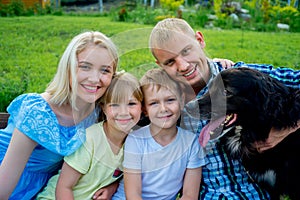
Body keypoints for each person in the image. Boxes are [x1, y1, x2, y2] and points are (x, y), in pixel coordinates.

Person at [149, 18, 300, 199]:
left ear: (200, 40)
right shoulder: (165, 99)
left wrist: (284, 130)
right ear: (161, 65)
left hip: (254, 195)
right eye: (170, 62)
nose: (183, 66)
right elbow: (122, 109)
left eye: (186, 51)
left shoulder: (247, 78)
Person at [0, 31, 119, 200]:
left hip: (44, 190)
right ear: (68, 68)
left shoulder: (100, 112)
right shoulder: (38, 114)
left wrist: (113, 185)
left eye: (105, 70)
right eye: (85, 66)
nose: (95, 78)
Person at [36, 72, 143, 199]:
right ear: (103, 108)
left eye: (131, 104)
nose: (124, 112)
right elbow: (64, 186)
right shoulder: (90, 140)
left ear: (142, 107)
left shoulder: (134, 143)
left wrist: (111, 187)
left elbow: (115, 174)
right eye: (114, 105)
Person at [112, 68, 206, 200]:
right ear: (145, 109)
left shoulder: (191, 143)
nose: (163, 109)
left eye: (170, 100)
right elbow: (133, 195)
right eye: (154, 103)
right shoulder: (136, 140)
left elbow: (189, 195)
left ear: (181, 100)